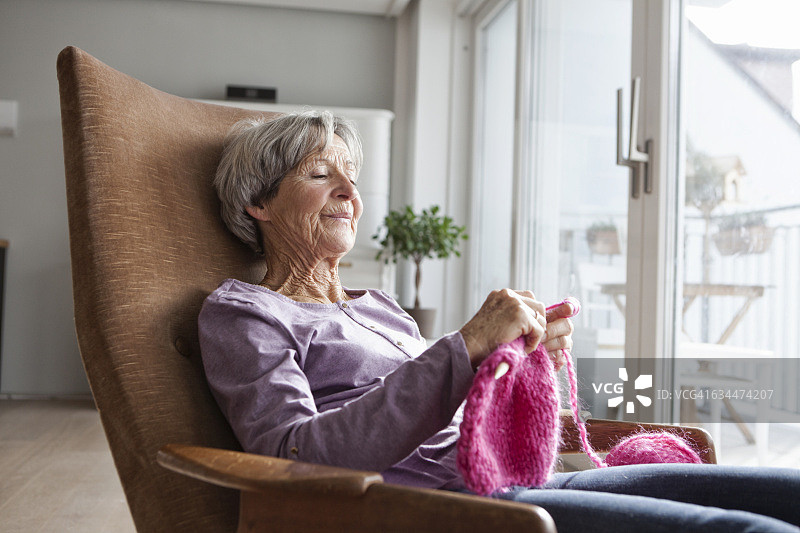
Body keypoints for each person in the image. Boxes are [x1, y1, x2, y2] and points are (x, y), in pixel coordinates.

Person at [199, 110, 800, 532]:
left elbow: (449, 402)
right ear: (259, 202)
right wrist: (466, 345)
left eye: (351, 180)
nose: (349, 194)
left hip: (508, 480)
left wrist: (510, 357)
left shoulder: (377, 305)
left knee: (785, 494)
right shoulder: (244, 313)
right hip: (443, 509)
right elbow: (295, 452)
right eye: (319, 174)